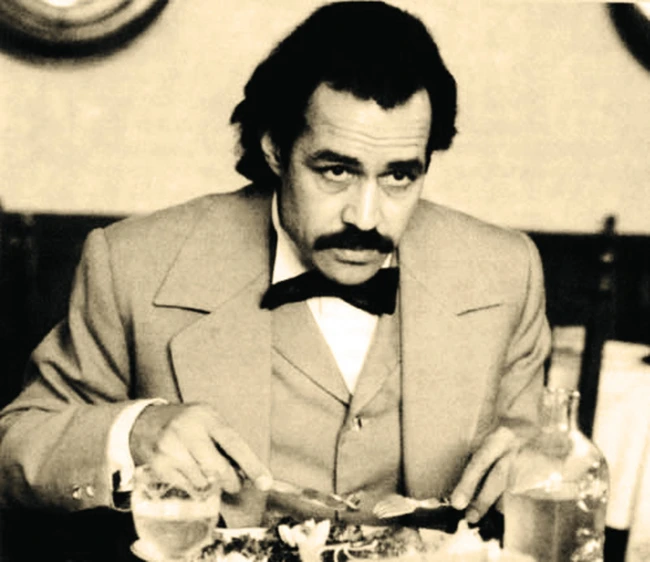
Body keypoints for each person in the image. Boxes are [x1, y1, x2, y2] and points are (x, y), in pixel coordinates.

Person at [0, 0, 550, 529]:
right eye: (336, 171)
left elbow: (538, 457)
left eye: (399, 176)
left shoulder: (506, 273)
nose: (366, 216)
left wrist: (535, 472)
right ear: (274, 148)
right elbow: (15, 448)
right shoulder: (134, 264)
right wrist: (134, 432)